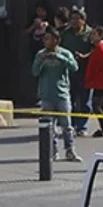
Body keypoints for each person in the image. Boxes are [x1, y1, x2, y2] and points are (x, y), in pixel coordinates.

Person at [31, 28, 81, 163]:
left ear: (56, 40)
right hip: (46, 95)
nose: (45, 41)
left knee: (66, 124)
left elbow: (74, 67)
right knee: (49, 126)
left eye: (48, 38)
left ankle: (70, 150)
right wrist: (41, 61)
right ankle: (52, 151)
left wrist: (59, 57)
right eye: (44, 39)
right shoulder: (40, 54)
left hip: (62, 93)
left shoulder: (65, 53)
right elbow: (34, 72)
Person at [61, 9, 94, 134]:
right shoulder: (66, 33)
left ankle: (82, 127)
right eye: (72, 19)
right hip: (69, 71)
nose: (74, 21)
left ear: (83, 20)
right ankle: (72, 125)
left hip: (85, 71)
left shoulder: (90, 33)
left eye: (77, 19)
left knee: (85, 100)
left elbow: (95, 50)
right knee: (70, 99)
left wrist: (85, 56)